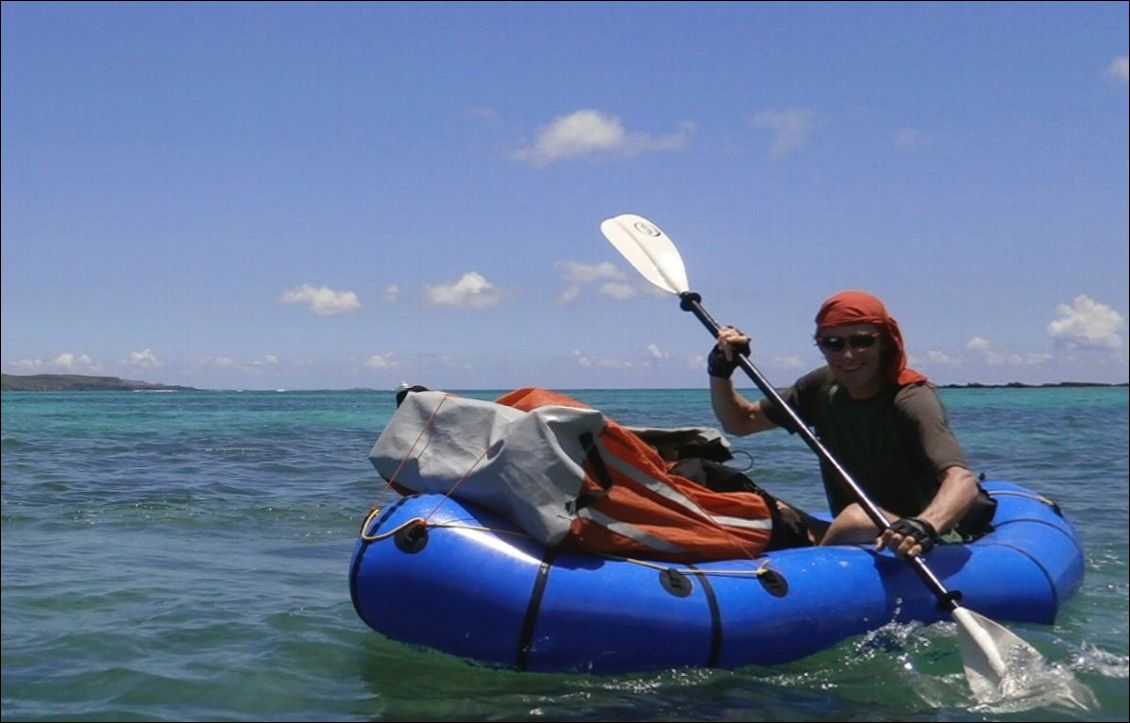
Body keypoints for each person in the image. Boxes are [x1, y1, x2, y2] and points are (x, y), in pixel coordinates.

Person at [707, 289, 988, 559]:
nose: (848, 355)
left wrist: (923, 526)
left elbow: (961, 480)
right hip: (854, 530)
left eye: (862, 341)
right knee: (756, 502)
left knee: (856, 518)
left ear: (885, 342)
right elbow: (741, 422)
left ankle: (814, 581)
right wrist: (720, 370)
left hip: (918, 538)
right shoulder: (820, 387)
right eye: (833, 343)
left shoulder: (912, 399)